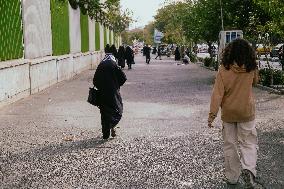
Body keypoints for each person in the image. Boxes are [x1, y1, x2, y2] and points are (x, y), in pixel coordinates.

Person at [208, 38, 261, 188]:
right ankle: (249, 169)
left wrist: (212, 115)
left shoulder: (223, 69)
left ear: (229, 52)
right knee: (249, 142)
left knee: (230, 145)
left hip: (229, 112)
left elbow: (217, 94)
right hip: (246, 111)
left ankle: (232, 177)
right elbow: (255, 82)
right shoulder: (251, 67)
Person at [93, 45, 127, 139]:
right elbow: (123, 78)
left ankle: (105, 134)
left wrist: (101, 87)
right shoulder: (114, 64)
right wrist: (116, 85)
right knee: (116, 110)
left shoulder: (101, 64)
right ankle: (112, 126)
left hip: (102, 94)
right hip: (113, 94)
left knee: (104, 113)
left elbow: (95, 80)